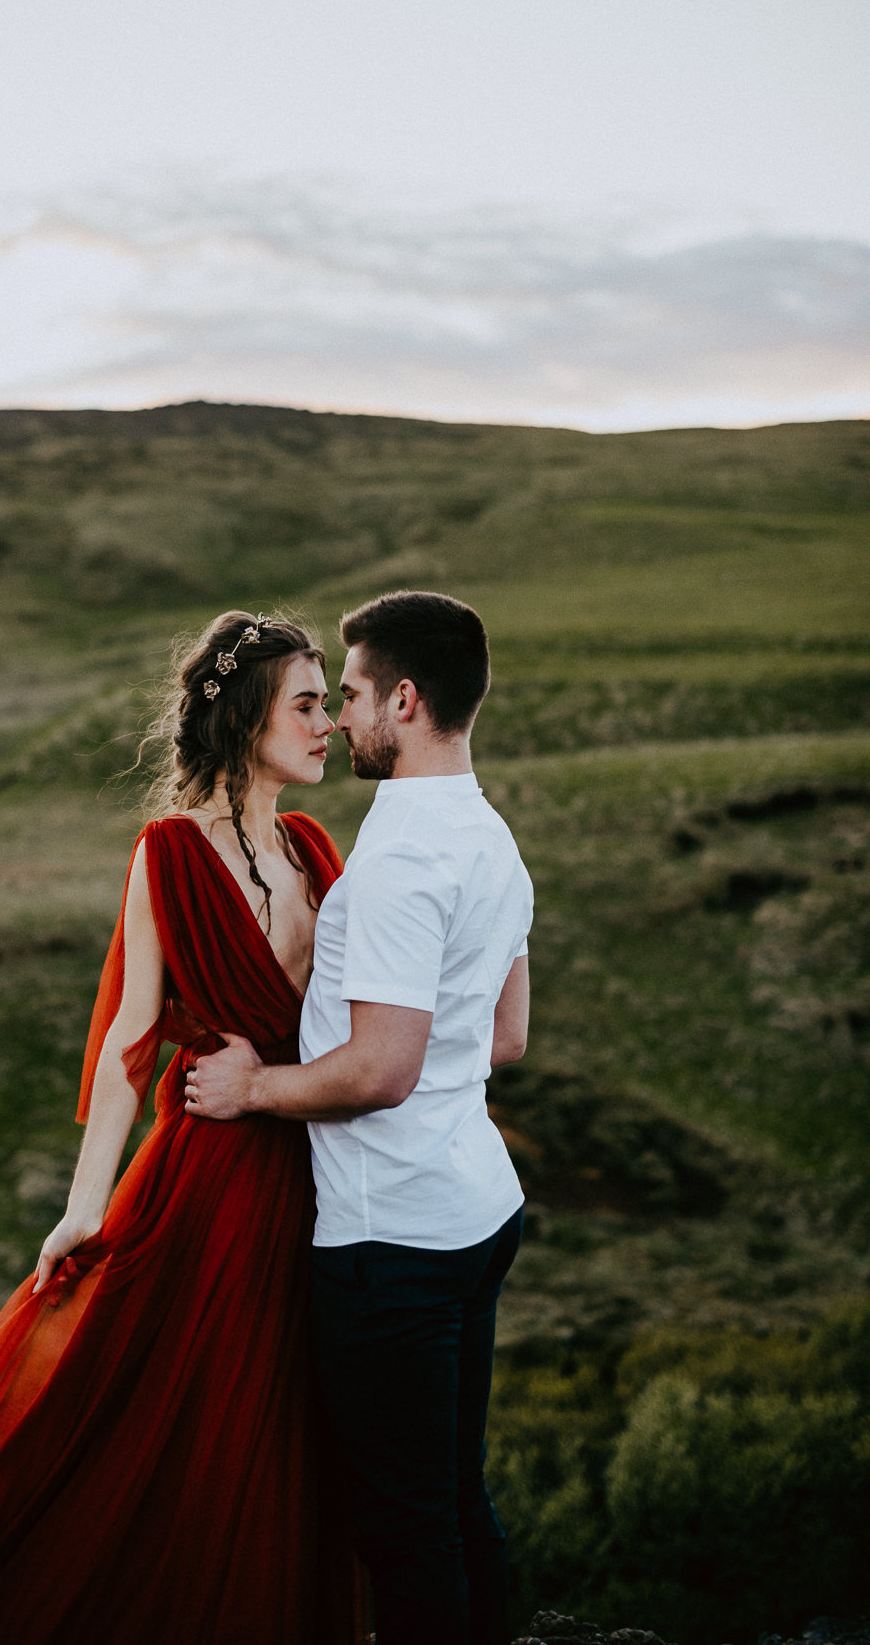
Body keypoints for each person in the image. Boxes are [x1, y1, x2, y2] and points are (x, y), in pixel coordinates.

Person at [0, 611, 364, 1645]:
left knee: (289, 1433)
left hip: (319, 1172)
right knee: (179, 1427)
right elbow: (130, 1037)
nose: (328, 722)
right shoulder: (166, 854)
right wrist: (83, 1207)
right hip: (211, 1181)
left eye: (329, 702)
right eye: (306, 704)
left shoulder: (314, 847)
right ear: (248, 720)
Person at [188, 589, 532, 1645]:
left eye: (350, 696)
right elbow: (505, 1038)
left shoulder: (394, 867)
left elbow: (380, 1070)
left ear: (406, 700)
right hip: (475, 1213)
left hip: (393, 1241)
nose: (338, 720)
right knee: (451, 1496)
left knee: (402, 1525)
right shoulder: (488, 836)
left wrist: (254, 1090)